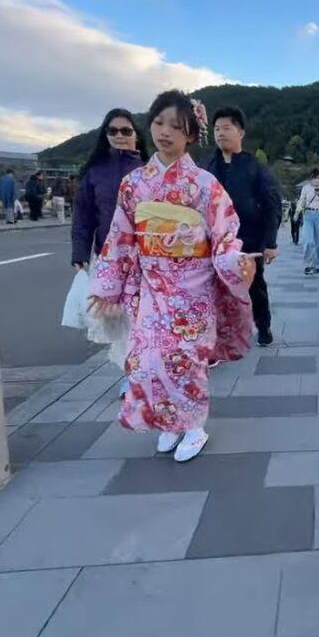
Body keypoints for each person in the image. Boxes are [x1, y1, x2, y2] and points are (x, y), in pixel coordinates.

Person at [88, 89, 258, 462]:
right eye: (159, 122)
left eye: (176, 126)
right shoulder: (134, 184)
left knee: (185, 358)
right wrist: (107, 285)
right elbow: (121, 235)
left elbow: (224, 234)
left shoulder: (204, 185)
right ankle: (170, 423)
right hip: (151, 283)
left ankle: (194, 426)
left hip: (193, 285)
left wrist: (235, 262)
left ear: (191, 136)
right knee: (147, 359)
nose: (165, 132)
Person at [71, 107, 149, 398]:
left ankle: (142, 372)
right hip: (108, 258)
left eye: (126, 130)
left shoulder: (149, 169)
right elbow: (83, 216)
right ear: (106, 135)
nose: (119, 135)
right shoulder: (94, 172)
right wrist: (79, 252)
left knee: (142, 319)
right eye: (113, 131)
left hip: (145, 258)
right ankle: (131, 373)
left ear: (136, 136)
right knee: (118, 321)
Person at [205, 106, 282, 346]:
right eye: (216, 129)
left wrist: (270, 243)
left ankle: (263, 327)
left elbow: (272, 204)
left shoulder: (254, 167)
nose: (220, 133)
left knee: (255, 285)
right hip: (215, 241)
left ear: (241, 132)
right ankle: (220, 335)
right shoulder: (207, 167)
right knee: (214, 287)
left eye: (227, 128)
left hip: (249, 239)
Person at [295, 168, 319, 275]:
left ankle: (318, 264)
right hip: (308, 215)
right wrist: (297, 212)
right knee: (308, 240)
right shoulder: (306, 188)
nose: (317, 180)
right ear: (311, 178)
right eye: (315, 177)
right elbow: (302, 201)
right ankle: (308, 264)